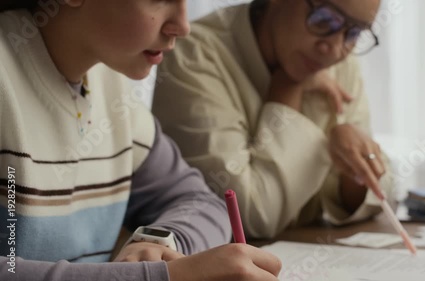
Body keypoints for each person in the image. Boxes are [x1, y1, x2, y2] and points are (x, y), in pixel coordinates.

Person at [0, 1, 281, 280]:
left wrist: (157, 245)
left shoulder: (111, 86)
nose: (183, 27)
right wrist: (160, 276)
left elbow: (199, 201)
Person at [152, 0, 397, 238]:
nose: (334, 49)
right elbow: (248, 218)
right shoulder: (194, 54)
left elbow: (382, 193)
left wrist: (354, 172)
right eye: (324, 18)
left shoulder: (339, 59)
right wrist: (289, 87)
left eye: (355, 33)